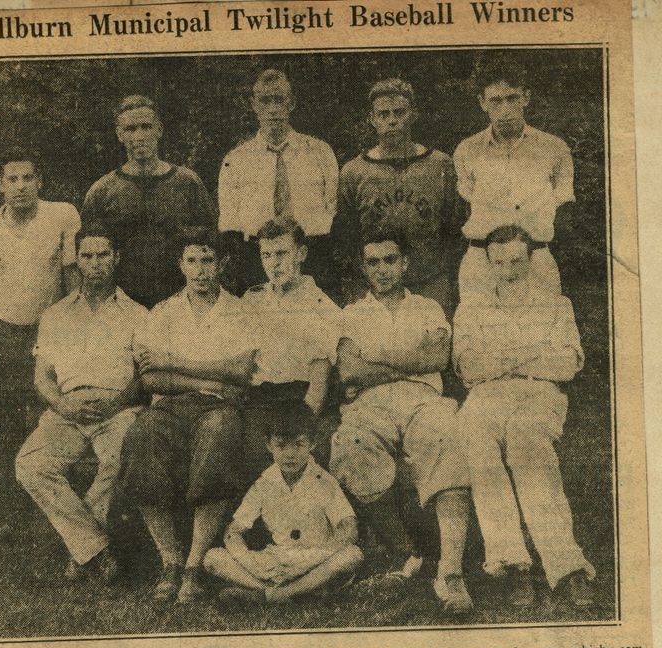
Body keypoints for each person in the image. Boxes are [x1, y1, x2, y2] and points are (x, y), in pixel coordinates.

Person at [329, 233, 473, 614]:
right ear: (364, 268)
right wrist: (409, 359)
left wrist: (378, 361)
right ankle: (406, 553)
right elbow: (349, 370)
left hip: (423, 399)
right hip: (370, 404)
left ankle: (451, 570)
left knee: (448, 435)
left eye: (390, 260)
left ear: (404, 264)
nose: (382, 269)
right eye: (373, 262)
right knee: (351, 444)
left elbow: (438, 357)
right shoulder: (352, 314)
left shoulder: (427, 307)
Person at [453, 225, 595, 608]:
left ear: (531, 259)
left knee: (525, 440)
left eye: (517, 260)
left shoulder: (555, 305)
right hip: (487, 394)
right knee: (478, 437)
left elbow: (567, 364)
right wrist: (529, 355)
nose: (509, 269)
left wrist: (502, 360)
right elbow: (467, 367)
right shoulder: (471, 308)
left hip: (539, 392)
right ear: (488, 263)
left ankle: (566, 566)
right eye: (499, 262)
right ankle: (514, 564)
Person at [116, 229, 257, 604]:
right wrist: (211, 375)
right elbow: (151, 377)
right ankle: (170, 560)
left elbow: (241, 370)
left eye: (208, 260)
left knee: (218, 436)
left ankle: (195, 564)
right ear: (180, 265)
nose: (200, 271)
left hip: (218, 407)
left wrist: (174, 362)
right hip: (168, 406)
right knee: (140, 436)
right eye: (192, 261)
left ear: (222, 264)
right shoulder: (163, 313)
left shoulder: (240, 311)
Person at [15, 229, 147, 583]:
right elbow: (42, 378)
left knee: (117, 460)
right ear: (78, 261)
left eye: (103, 255)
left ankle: (81, 551)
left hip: (117, 409)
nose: (95, 264)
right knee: (32, 464)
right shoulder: (56, 315)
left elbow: (146, 377)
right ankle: (94, 548)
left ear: (116, 258)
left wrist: (117, 402)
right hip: (67, 410)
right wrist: (63, 406)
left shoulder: (137, 314)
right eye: (87, 257)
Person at [0, 148, 81, 470]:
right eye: (12, 179)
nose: (21, 186)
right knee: (5, 418)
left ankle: (48, 480)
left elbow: (72, 280)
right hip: (1, 332)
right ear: (0, 184)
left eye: (28, 178)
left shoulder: (63, 216)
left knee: (53, 412)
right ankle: (10, 494)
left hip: (50, 332)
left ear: (39, 181)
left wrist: (79, 330)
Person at [204, 401, 363, 606]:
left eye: (298, 444)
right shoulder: (264, 483)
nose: (290, 454)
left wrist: (315, 558)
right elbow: (234, 531)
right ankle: (289, 594)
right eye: (281, 445)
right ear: (269, 445)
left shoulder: (324, 481)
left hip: (315, 558)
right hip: (278, 561)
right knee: (213, 558)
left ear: (312, 443)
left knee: (352, 555)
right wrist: (248, 560)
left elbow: (349, 528)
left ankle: (269, 596)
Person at [335, 78, 462, 315]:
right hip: (375, 284)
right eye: (383, 114)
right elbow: (346, 238)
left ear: (413, 115)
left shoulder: (440, 165)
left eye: (399, 112)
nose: (392, 120)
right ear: (372, 119)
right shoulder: (354, 172)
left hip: (430, 281)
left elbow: (455, 229)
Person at [453, 58, 575, 298]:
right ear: (482, 103)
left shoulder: (555, 148)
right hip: (482, 260)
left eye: (512, 98)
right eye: (496, 101)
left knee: (541, 329)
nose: (505, 109)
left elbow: (564, 208)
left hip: (535, 258)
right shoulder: (466, 150)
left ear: (525, 98)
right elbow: (464, 204)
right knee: (479, 330)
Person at [81, 95, 216, 309]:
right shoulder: (102, 190)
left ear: (159, 130)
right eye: (131, 129)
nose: (140, 136)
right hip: (122, 305)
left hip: (180, 302)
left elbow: (210, 243)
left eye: (146, 127)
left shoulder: (187, 182)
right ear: (119, 134)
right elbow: (89, 253)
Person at [240, 217, 342, 485]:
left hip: (301, 399)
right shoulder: (251, 300)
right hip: (258, 400)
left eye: (282, 253)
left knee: (295, 457)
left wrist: (296, 428)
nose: (274, 263)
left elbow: (318, 385)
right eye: (267, 255)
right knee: (243, 453)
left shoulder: (321, 306)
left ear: (301, 254)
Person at [218, 69, 339, 294]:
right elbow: (229, 226)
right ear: (254, 105)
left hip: (312, 257)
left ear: (291, 103)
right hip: (256, 260)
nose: (273, 109)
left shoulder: (320, 153)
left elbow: (333, 212)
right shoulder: (235, 160)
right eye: (265, 101)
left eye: (279, 99)